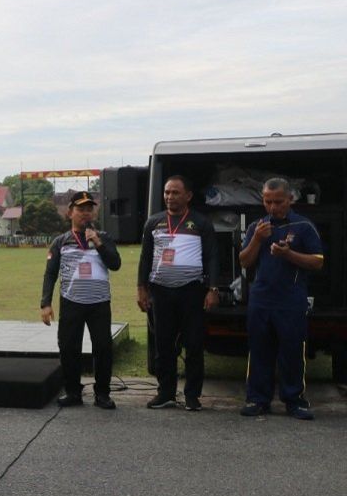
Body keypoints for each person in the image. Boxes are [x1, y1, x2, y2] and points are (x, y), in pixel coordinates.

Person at [238, 178, 324, 419]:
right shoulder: (258, 226)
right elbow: (244, 261)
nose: (273, 207)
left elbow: (318, 261)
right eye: (268, 202)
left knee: (292, 350)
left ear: (290, 199)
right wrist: (256, 239)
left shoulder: (303, 226)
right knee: (259, 350)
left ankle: (294, 400)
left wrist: (289, 255)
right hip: (261, 298)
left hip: (290, 298)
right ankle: (258, 399)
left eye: (278, 202)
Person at [137, 175, 219, 411]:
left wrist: (212, 289)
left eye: (175, 193)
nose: (169, 197)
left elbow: (212, 256)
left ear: (188, 196)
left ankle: (192, 396)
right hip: (160, 292)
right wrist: (141, 288)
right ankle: (165, 393)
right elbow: (145, 258)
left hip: (192, 292)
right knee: (163, 345)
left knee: (193, 345)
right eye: (166, 192)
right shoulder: (153, 222)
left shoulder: (201, 222)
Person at [40, 192, 122, 409]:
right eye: (80, 209)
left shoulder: (103, 237)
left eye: (89, 209)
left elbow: (115, 264)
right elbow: (50, 274)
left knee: (103, 348)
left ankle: (102, 393)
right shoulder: (61, 241)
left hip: (99, 303)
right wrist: (45, 303)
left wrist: (98, 243)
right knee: (68, 348)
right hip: (71, 302)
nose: (85, 213)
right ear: (70, 213)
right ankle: (73, 392)